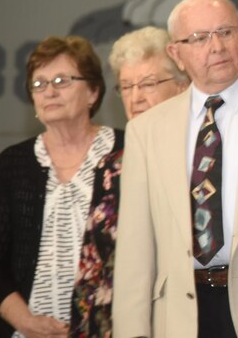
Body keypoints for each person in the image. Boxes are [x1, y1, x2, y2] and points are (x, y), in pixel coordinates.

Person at [113, 0, 238, 338]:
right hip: (181, 315)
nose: (216, 47)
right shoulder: (146, 130)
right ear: (176, 54)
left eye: (226, 33)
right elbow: (134, 252)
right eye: (199, 38)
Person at [0, 36, 119, 338]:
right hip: (26, 332)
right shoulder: (13, 164)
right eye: (38, 84)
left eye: (61, 80)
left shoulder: (126, 152)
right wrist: (25, 321)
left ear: (92, 91)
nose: (49, 91)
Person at [69, 26, 189, 338]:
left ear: (181, 86)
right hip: (113, 322)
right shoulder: (111, 167)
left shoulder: (196, 159)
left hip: (176, 317)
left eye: (148, 84)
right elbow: (92, 267)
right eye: (126, 86)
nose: (135, 98)